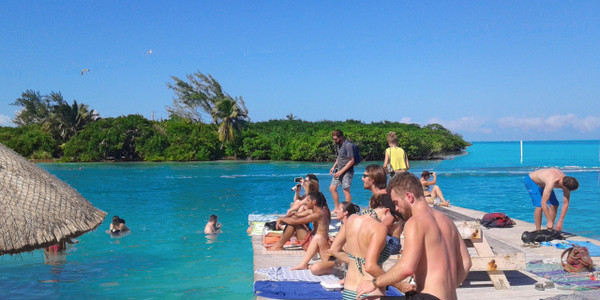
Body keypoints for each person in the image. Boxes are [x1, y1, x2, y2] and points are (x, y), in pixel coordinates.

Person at [357, 172, 472, 300]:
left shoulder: (415, 222)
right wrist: (450, 286)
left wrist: (374, 282)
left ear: (409, 197)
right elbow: (466, 263)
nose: (396, 208)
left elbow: (406, 268)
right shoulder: (447, 221)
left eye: (396, 202)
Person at [328, 193, 403, 299]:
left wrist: (355, 261)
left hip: (349, 289)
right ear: (387, 211)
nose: (393, 224)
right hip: (371, 292)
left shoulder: (352, 219)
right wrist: (400, 285)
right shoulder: (379, 228)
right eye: (395, 219)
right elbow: (370, 267)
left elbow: (334, 250)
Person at [291, 194, 352, 274]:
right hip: (334, 256)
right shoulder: (342, 227)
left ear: (345, 213)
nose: (336, 211)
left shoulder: (350, 228)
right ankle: (303, 264)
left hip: (343, 261)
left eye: (339, 209)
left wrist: (336, 246)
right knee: (318, 237)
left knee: (315, 268)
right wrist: (334, 242)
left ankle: (311, 266)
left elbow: (351, 251)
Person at [266, 191, 331, 252]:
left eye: (308, 201)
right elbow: (297, 215)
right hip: (314, 240)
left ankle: (279, 245)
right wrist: (289, 215)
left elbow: (295, 222)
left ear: (314, 202)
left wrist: (281, 219)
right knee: (292, 220)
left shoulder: (317, 215)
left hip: (313, 245)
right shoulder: (317, 212)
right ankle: (279, 244)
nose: (306, 203)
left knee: (294, 223)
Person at [363, 164, 403, 254]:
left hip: (390, 243)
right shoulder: (377, 197)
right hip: (383, 239)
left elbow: (386, 224)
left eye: (365, 176)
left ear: (372, 180)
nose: (362, 178)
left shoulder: (387, 197)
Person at [329, 130, 358, 214]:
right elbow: (339, 158)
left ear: (341, 137)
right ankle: (337, 208)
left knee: (346, 189)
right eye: (333, 139)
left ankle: (348, 210)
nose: (334, 141)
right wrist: (333, 167)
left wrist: (341, 172)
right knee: (332, 188)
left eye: (335, 139)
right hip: (339, 170)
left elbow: (351, 161)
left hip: (347, 171)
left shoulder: (348, 145)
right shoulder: (339, 145)